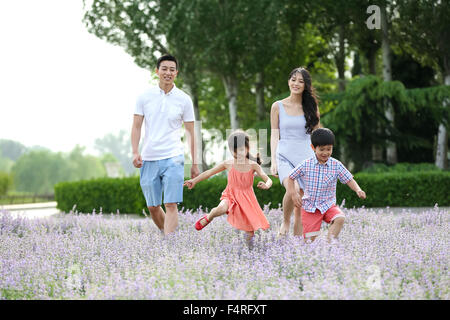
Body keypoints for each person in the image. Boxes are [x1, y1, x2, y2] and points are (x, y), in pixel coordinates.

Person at [131, 54, 199, 235]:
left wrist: (195, 162)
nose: (168, 73)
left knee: (171, 203)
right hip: (149, 157)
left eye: (172, 69)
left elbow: (192, 133)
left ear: (176, 73)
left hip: (174, 157)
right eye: (164, 69)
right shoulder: (144, 97)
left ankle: (171, 245)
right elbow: (136, 126)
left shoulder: (184, 99)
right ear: (157, 71)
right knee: (153, 206)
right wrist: (135, 151)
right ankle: (167, 234)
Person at [183, 131, 271, 242]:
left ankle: (247, 253)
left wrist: (267, 185)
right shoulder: (228, 163)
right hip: (230, 195)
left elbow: (268, 179)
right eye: (236, 151)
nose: (239, 153)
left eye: (242, 150)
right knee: (221, 208)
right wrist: (194, 180)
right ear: (232, 151)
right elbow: (209, 173)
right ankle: (208, 217)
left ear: (247, 149)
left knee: (250, 231)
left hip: (247, 199)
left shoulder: (253, 165)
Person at [287, 128, 366, 242]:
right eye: (322, 149)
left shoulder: (336, 165)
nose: (325, 153)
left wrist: (358, 190)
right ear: (313, 148)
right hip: (310, 208)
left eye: (329, 149)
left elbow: (349, 179)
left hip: (328, 205)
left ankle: (329, 247)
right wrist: (293, 194)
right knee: (309, 241)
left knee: (340, 218)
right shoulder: (306, 164)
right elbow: (291, 177)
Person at [270, 67, 321, 237]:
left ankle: (297, 244)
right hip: (284, 156)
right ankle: (285, 222)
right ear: (288, 81)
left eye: (301, 81)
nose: (296, 83)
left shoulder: (311, 107)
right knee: (293, 187)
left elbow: (317, 136)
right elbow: (274, 134)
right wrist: (274, 161)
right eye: (293, 79)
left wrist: (322, 159)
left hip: (306, 157)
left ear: (306, 85)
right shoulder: (277, 106)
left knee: (301, 202)